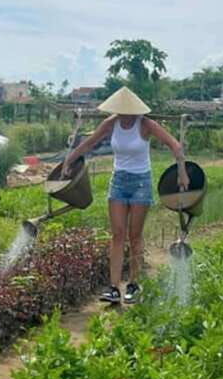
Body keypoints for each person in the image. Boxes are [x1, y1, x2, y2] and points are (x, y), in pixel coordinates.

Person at [64, 86, 189, 305]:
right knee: (117, 235)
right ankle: (113, 288)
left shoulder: (146, 125)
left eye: (126, 111)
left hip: (141, 182)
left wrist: (182, 172)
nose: (123, 115)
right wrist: (69, 160)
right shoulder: (111, 123)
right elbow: (89, 142)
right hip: (118, 181)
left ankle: (133, 284)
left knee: (135, 235)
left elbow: (175, 146)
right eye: (119, 111)